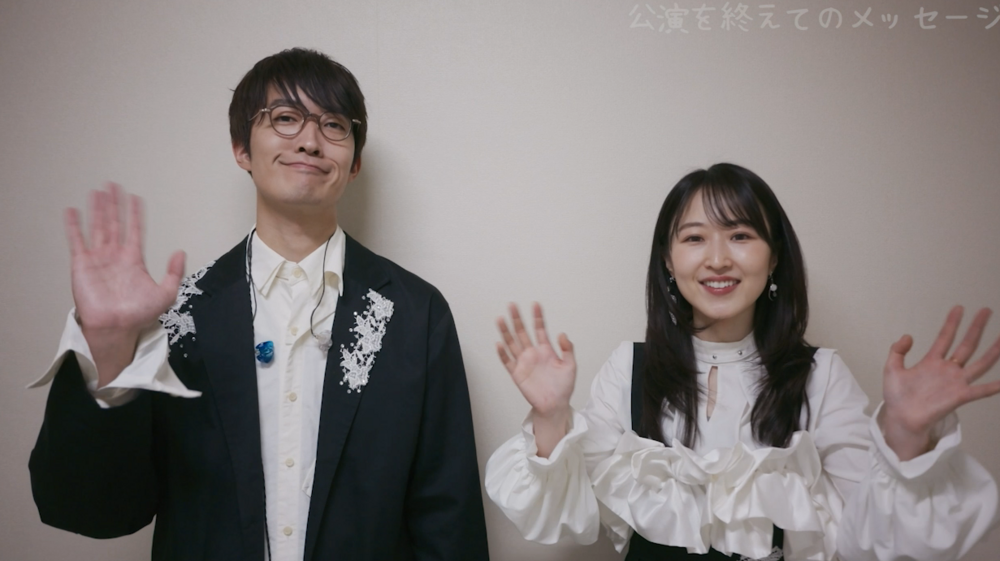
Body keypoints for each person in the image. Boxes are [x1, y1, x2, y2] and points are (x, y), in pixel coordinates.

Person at [28, 48, 489, 561]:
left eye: (334, 125)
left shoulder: (416, 313)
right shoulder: (178, 317)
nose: (310, 140)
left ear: (354, 162)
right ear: (241, 148)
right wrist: (109, 346)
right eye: (285, 118)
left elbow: (449, 521)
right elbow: (94, 511)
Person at [485, 163, 1000, 560]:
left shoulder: (820, 376)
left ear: (773, 257)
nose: (717, 259)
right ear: (668, 260)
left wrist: (906, 438)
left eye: (740, 235)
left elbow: (866, 543)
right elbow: (569, 514)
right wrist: (551, 418)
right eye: (694, 238)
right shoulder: (630, 368)